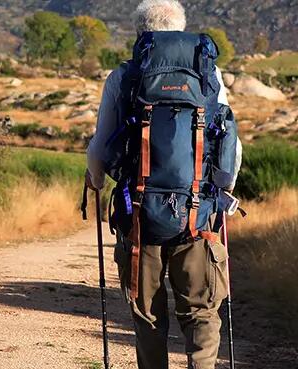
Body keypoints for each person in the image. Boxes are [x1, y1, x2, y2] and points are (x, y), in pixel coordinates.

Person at [86, 1, 241, 368]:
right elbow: (230, 147)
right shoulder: (208, 75)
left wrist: (95, 182)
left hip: (141, 217)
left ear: (141, 33)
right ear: (182, 26)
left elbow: (100, 147)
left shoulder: (124, 77)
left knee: (148, 315)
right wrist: (220, 194)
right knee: (201, 311)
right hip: (198, 214)